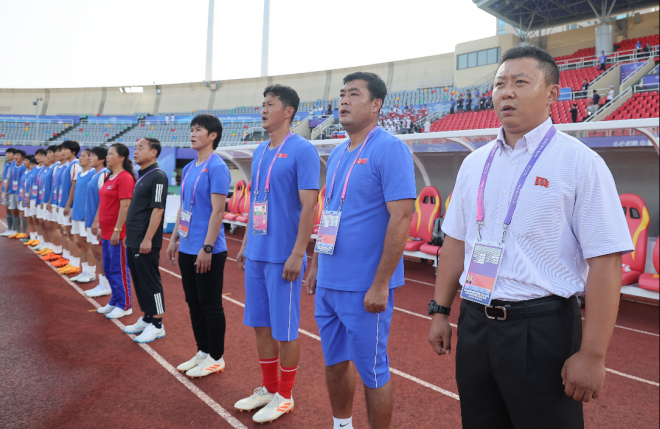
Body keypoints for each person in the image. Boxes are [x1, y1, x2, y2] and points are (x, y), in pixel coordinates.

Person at [428, 45, 634, 429]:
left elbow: (605, 260)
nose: (506, 92)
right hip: (475, 323)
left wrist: (593, 354)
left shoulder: (580, 163)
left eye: (521, 82)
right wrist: (441, 310)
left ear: (553, 94)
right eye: (500, 84)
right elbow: (456, 241)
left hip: (542, 329)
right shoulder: (475, 164)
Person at [306, 72, 416, 429]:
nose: (343, 100)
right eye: (341, 94)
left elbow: (401, 218)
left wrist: (381, 283)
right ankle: (342, 425)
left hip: (365, 287)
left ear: (376, 105)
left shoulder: (390, 148)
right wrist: (316, 263)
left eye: (354, 94)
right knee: (334, 362)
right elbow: (330, 213)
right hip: (329, 283)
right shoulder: (338, 153)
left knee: (372, 370)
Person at [234, 85, 320, 423]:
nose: (263, 109)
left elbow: (310, 204)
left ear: (288, 111)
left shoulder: (303, 150)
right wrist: (244, 245)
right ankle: (269, 389)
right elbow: (257, 201)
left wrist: (299, 253)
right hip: (256, 252)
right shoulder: (259, 151)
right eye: (262, 103)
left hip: (284, 255)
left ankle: (285, 395)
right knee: (260, 325)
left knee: (285, 330)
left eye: (270, 104)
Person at [166, 114, 231, 379]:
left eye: (198, 130)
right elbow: (185, 205)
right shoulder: (191, 167)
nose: (192, 134)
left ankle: (216, 356)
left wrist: (207, 247)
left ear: (212, 135)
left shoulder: (217, 167)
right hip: (187, 246)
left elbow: (218, 212)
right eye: (191, 129)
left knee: (210, 304)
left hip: (208, 250)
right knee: (193, 302)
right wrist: (173, 239)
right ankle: (202, 351)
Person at [123, 138, 169, 343]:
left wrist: (148, 238)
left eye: (140, 148)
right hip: (134, 239)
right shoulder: (142, 176)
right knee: (140, 281)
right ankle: (147, 317)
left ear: (154, 153)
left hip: (145, 240)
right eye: (135, 148)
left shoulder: (158, 176)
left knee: (150, 280)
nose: (136, 151)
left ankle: (158, 324)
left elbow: (158, 209)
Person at [92, 143, 135, 319]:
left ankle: (125, 305)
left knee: (119, 269)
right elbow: (105, 205)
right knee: (109, 268)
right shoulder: (110, 177)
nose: (107, 157)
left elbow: (125, 206)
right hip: (107, 231)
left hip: (118, 232)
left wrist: (117, 230)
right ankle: (115, 300)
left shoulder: (124, 178)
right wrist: (102, 227)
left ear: (121, 157)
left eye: (110, 154)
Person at [83, 147, 112, 298]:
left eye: (92, 156)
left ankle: (105, 285)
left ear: (101, 159)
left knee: (100, 254)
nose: (89, 158)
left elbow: (104, 200)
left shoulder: (104, 174)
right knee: (96, 253)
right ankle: (102, 283)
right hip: (91, 220)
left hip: (98, 222)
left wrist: (96, 221)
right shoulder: (94, 175)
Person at [69, 149, 98, 283]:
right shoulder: (80, 174)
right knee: (79, 243)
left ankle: (91, 273)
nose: (80, 158)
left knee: (87, 244)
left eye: (84, 156)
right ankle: (84, 271)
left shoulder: (92, 174)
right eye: (80, 156)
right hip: (76, 213)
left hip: (85, 215)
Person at [55, 140, 83, 275]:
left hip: (69, 205)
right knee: (66, 234)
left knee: (72, 235)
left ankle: (75, 263)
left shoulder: (75, 165)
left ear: (73, 151)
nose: (62, 152)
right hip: (63, 203)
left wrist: (67, 204)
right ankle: (69, 259)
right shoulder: (67, 165)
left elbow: (74, 186)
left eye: (65, 149)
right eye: (62, 150)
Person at [40, 146, 65, 260]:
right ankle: (52, 247)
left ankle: (58, 251)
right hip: (50, 200)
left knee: (55, 227)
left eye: (52, 152)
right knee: (49, 226)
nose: (49, 155)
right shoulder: (54, 168)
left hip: (57, 201)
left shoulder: (57, 167)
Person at [6, 149, 26, 238]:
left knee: (22, 212)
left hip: (20, 192)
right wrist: (6, 190)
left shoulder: (24, 166)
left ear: (22, 157)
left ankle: (24, 231)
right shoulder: (12, 166)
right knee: (14, 211)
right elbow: (9, 178)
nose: (16, 157)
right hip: (12, 191)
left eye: (18, 155)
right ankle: (17, 231)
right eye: (15, 155)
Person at [1, 148, 17, 237]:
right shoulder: (6, 164)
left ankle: (15, 229)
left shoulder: (16, 165)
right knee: (7, 210)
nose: (7, 155)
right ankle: (9, 229)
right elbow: (4, 178)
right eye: (6, 153)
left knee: (13, 210)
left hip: (12, 190)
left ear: (14, 155)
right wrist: (1, 188)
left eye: (10, 153)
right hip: (5, 190)